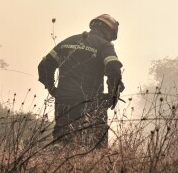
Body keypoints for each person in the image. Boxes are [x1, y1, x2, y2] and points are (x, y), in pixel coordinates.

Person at [37, 14, 124, 148]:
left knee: (62, 144)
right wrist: (114, 92)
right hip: (91, 103)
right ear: (107, 30)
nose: (110, 39)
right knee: (96, 146)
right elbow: (113, 67)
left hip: (63, 103)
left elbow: (44, 65)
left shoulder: (68, 42)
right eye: (111, 36)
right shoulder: (104, 45)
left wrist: (52, 88)